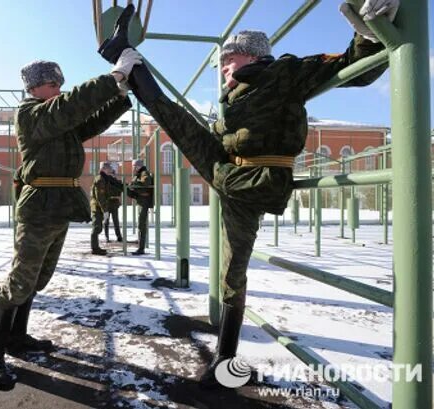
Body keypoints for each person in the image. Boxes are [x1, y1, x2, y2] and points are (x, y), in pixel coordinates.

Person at [97, 0, 395, 387]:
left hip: (255, 180)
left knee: (233, 268)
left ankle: (224, 360)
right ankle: (127, 60)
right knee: (175, 119)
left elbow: (348, 67)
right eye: (222, 62)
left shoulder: (284, 73)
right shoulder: (232, 97)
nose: (223, 69)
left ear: (254, 56)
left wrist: (369, 33)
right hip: (230, 172)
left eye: (229, 59)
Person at [0, 51, 141, 388]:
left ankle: (18, 337)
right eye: (53, 84)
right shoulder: (29, 113)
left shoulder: (56, 121)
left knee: (37, 278)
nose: (59, 89)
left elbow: (89, 121)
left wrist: (121, 95)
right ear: (35, 87)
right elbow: (70, 107)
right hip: (39, 205)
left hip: (58, 205)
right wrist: (113, 77)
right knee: (20, 280)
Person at [90, 161, 122, 255]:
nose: (110, 170)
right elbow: (100, 197)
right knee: (96, 228)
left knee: (98, 227)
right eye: (108, 168)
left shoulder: (104, 178)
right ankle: (95, 248)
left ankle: (95, 248)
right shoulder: (100, 179)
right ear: (103, 169)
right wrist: (105, 210)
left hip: (99, 206)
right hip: (97, 207)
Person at [128, 159, 154, 256]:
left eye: (134, 166)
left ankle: (141, 248)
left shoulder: (144, 173)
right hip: (141, 201)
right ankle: (140, 246)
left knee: (141, 225)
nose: (133, 168)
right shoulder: (139, 174)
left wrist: (134, 184)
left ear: (138, 166)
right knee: (140, 224)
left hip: (144, 201)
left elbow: (146, 182)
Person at [104, 163, 123, 243]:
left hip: (114, 203)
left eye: (113, 174)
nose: (112, 176)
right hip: (107, 203)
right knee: (106, 221)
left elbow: (119, 192)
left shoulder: (117, 182)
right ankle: (106, 237)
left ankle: (119, 236)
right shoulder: (105, 182)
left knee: (116, 221)